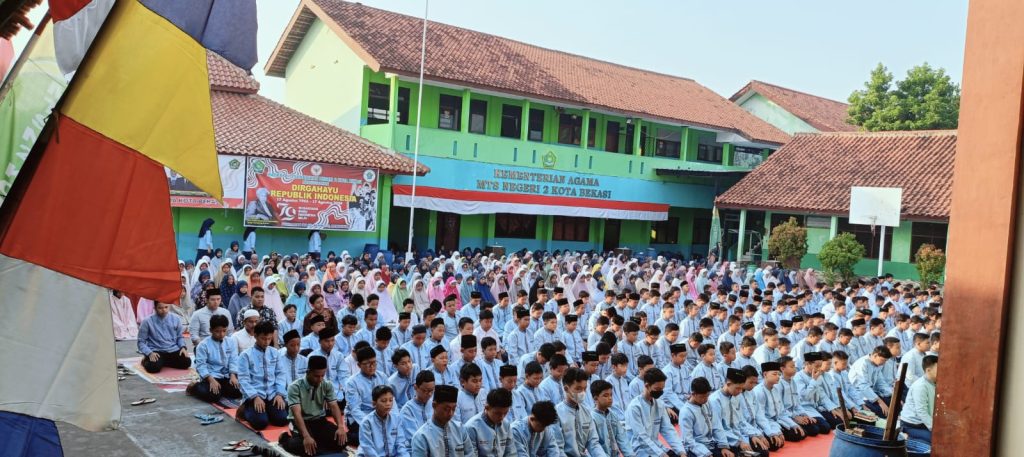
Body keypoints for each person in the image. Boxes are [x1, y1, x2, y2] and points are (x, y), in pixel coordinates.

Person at [281, 355, 347, 457]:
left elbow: (334, 406)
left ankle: (317, 440)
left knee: (342, 440)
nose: (320, 379)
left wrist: (341, 427)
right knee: (306, 449)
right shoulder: (294, 387)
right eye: (317, 376)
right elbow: (297, 414)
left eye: (323, 375)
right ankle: (285, 439)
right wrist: (306, 436)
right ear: (308, 372)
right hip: (301, 422)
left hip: (319, 420)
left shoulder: (327, 385)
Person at [233, 321, 289, 430]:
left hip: (272, 394)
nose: (266, 342)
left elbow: (280, 374)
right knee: (261, 423)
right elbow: (243, 380)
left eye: (269, 338)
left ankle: (268, 410)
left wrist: (279, 394)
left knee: (282, 420)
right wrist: (255, 397)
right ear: (255, 335)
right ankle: (244, 409)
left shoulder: (275, 352)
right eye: (263, 338)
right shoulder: (246, 355)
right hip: (255, 395)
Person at [625, 368, 685, 457]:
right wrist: (661, 454)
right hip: (640, 450)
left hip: (657, 446)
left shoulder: (659, 404)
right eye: (657, 388)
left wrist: (681, 451)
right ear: (647, 386)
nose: (660, 392)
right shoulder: (635, 407)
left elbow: (668, 429)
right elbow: (641, 438)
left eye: (662, 389)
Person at [555, 367, 607, 457]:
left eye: (584, 388)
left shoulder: (586, 412)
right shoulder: (556, 414)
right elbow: (557, 449)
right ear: (566, 389)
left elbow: (593, 443)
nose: (582, 392)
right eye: (578, 389)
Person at [190, 314, 241, 403]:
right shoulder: (203, 345)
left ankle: (221, 390)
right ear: (211, 330)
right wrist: (211, 380)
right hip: (211, 376)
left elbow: (234, 359)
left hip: (226, 375)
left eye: (224, 331)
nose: (221, 334)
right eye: (217, 331)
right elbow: (201, 366)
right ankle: (195, 387)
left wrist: (233, 375)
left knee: (238, 392)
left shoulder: (231, 341)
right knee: (214, 397)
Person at [345, 346, 389, 446]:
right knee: (374, 439)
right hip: (360, 417)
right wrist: (372, 424)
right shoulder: (352, 382)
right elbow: (355, 410)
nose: (372, 366)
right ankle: (349, 436)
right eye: (367, 364)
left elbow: (391, 401)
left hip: (381, 415)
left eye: (374, 362)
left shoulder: (383, 377)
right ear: (359, 365)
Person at [410, 385, 472, 456]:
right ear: (434, 405)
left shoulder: (460, 429)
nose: (450, 413)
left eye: (454, 409)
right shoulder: (422, 437)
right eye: (446, 409)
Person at [138, 301, 191, 373]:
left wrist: (182, 347)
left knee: (186, 362)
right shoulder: (147, 321)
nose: (164, 310)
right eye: (160, 308)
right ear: (155, 308)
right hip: (156, 350)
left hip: (173, 349)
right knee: (153, 368)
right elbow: (141, 342)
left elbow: (180, 337)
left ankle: (163, 362)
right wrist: (149, 353)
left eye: (166, 307)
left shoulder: (176, 318)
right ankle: (146, 360)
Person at [465, 388, 516, 457]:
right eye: (498, 413)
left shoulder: (506, 424)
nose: (502, 417)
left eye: (505, 413)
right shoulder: (471, 427)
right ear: (487, 407)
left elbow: (511, 453)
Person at [899, 354, 938, 444]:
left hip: (923, 423)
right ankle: (906, 437)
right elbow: (921, 411)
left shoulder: (933, 382)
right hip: (912, 425)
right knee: (936, 440)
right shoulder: (921, 386)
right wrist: (936, 430)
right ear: (928, 370)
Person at [357, 385, 404, 457]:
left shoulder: (396, 419)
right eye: (384, 401)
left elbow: (400, 444)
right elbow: (368, 449)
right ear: (374, 403)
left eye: (391, 400)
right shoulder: (367, 422)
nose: (388, 404)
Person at [590, 380, 631, 457]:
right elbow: (594, 445)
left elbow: (622, 438)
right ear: (595, 399)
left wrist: (631, 455)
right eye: (605, 395)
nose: (610, 398)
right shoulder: (592, 418)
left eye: (611, 395)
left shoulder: (613, 415)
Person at [398, 371, 436, 450]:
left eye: (431, 390)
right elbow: (415, 439)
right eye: (425, 391)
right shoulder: (407, 410)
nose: (429, 394)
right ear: (415, 387)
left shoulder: (435, 404)